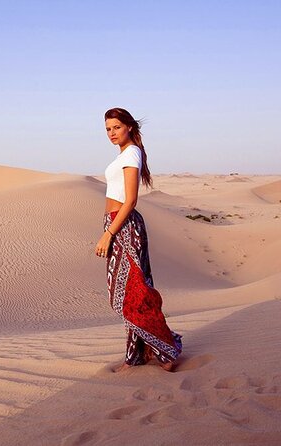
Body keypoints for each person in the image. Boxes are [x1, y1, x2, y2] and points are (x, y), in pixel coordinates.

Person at [95, 107, 182, 372]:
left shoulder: (131, 153)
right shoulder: (124, 153)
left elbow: (130, 200)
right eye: (108, 129)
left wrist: (109, 234)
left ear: (129, 127)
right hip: (117, 224)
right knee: (131, 292)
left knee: (132, 294)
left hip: (122, 227)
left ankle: (165, 350)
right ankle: (136, 355)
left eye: (116, 127)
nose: (111, 133)